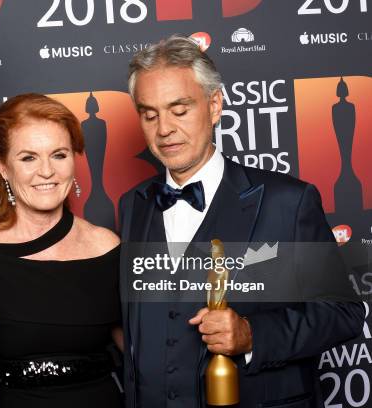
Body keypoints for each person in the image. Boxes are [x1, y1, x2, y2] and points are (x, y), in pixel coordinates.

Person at [118, 35, 364, 407]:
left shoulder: (288, 201)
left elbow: (342, 312)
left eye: (179, 109)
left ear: (214, 106)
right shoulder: (133, 205)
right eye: (149, 114)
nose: (163, 128)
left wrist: (252, 334)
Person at [0, 93, 123, 408]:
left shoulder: (107, 247)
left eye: (59, 155)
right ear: (4, 168)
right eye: (28, 158)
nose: (47, 172)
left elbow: (143, 354)